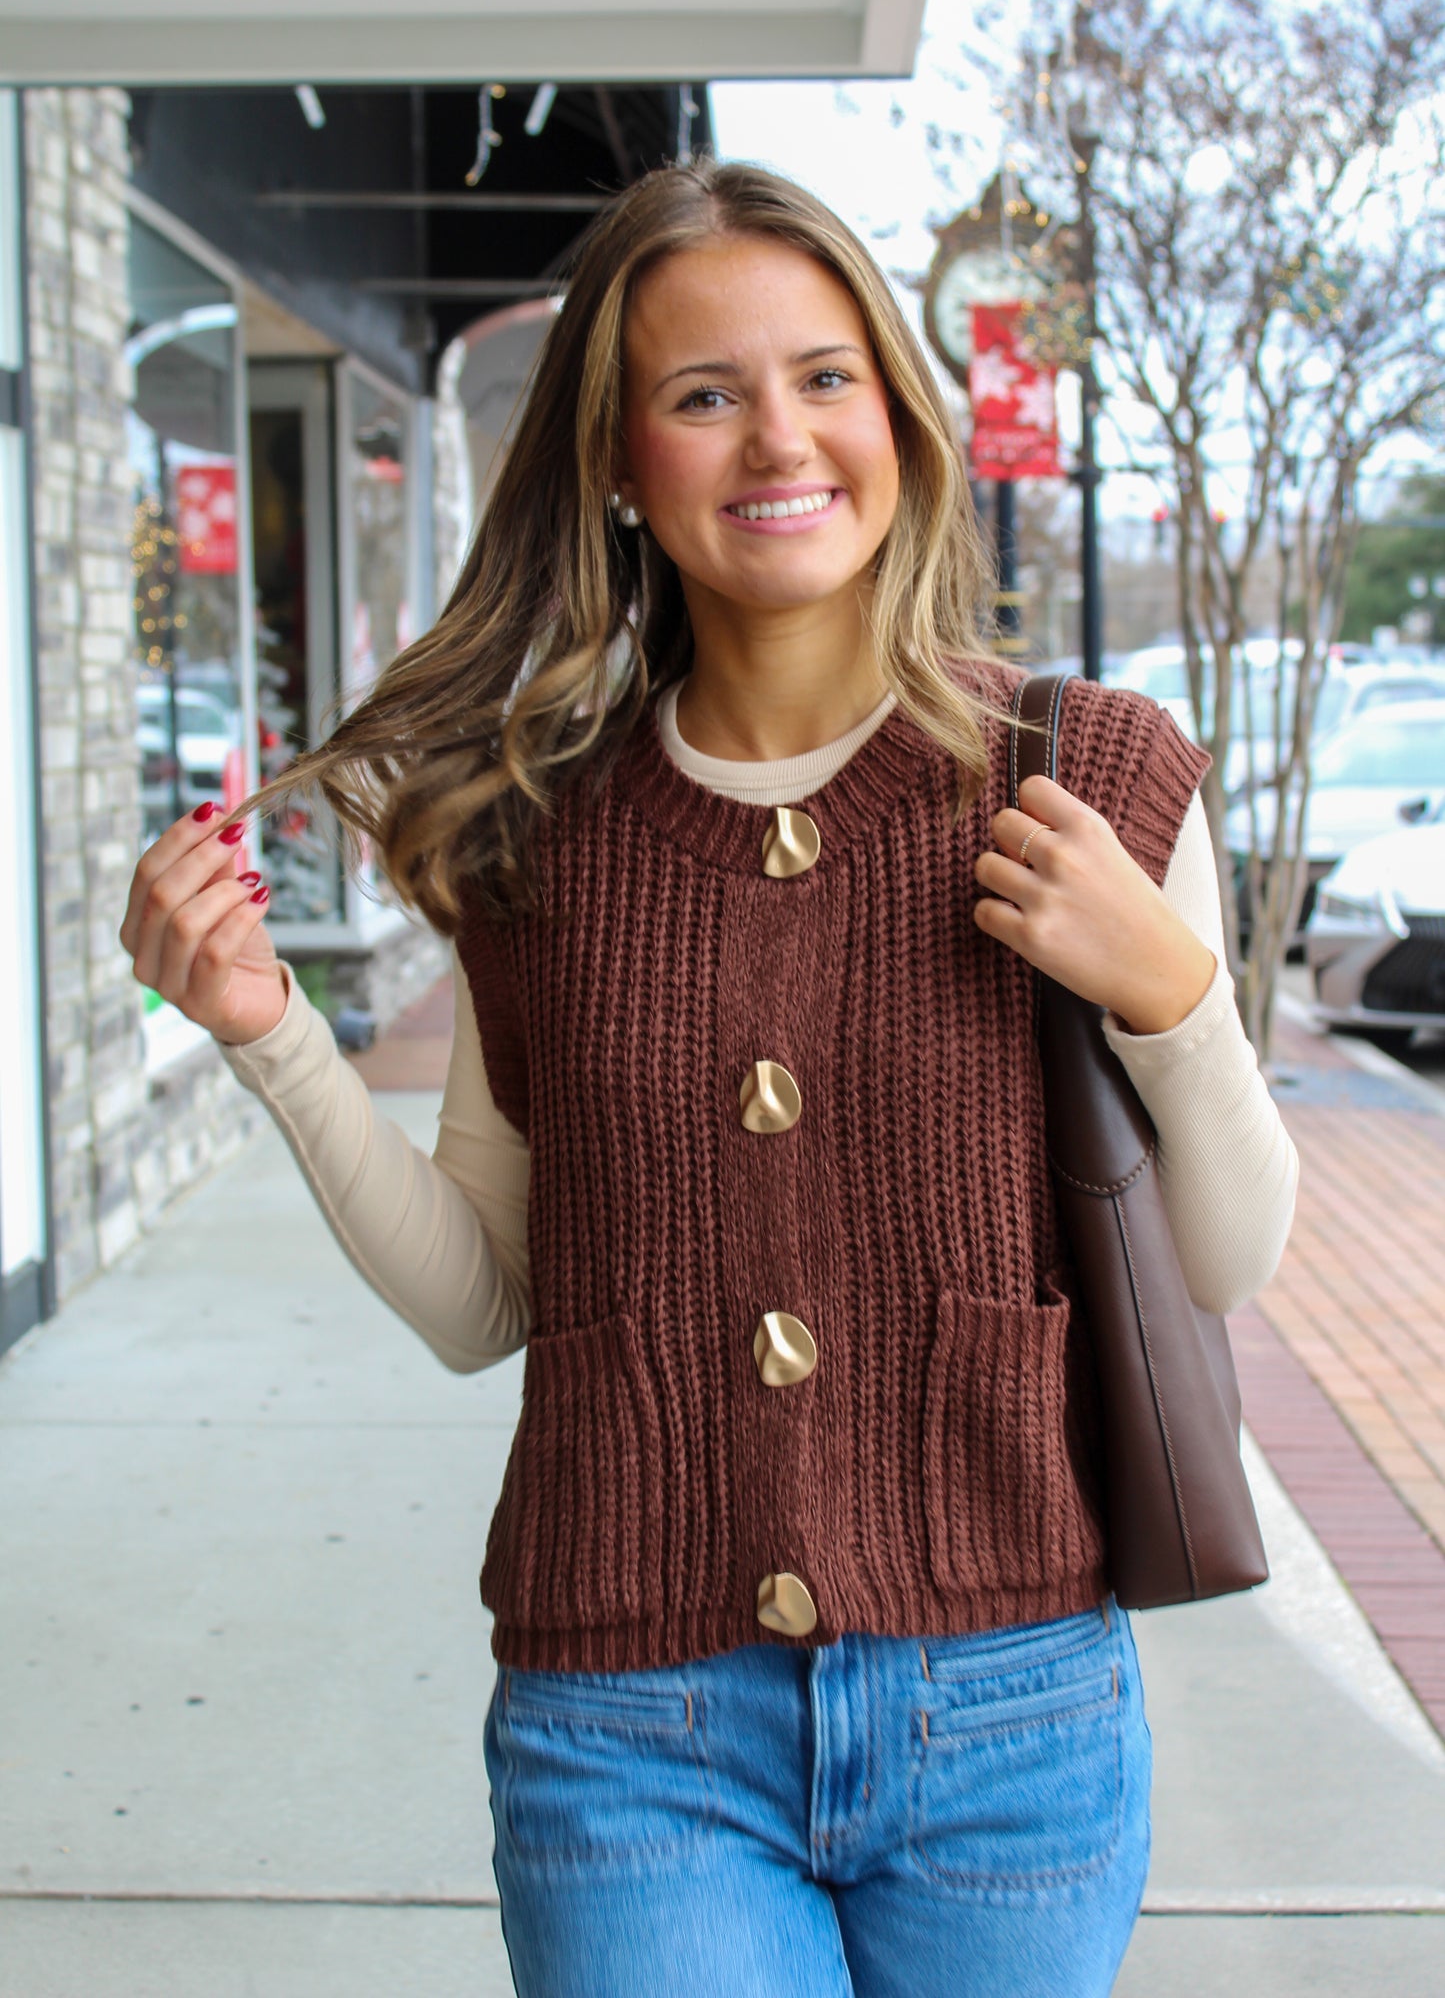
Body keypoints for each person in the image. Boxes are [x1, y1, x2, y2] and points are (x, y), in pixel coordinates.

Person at [120, 160, 1298, 1997]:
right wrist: (273, 1038)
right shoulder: (539, 836)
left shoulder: (1093, 779)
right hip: (631, 1721)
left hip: (1008, 1713)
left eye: (827, 376)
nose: (780, 437)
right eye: (702, 393)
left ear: (898, 416)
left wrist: (1169, 989)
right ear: (614, 461)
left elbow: (1224, 1261)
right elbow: (483, 1302)